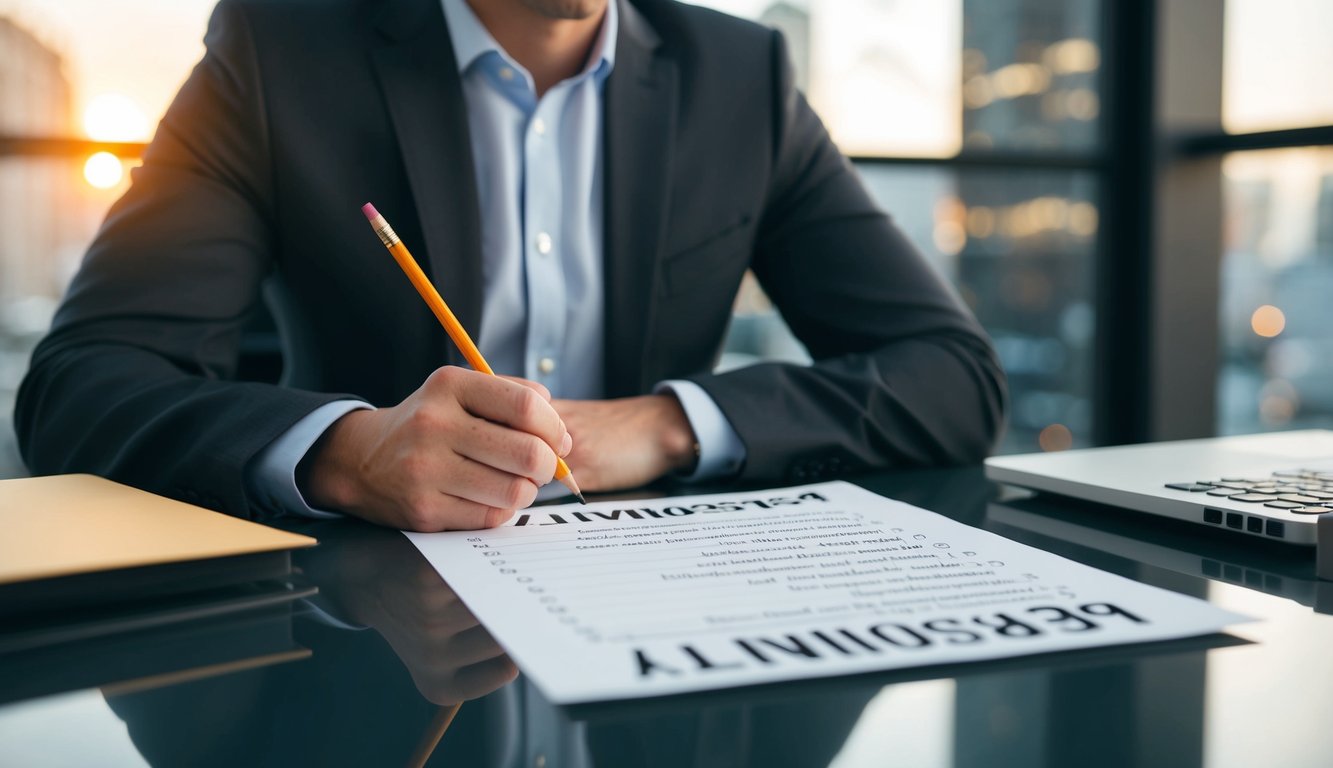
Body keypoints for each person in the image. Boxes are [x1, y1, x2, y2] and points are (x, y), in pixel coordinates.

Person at [15, 0, 1006, 532]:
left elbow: (952, 377)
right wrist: (349, 454)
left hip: (660, 601)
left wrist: (663, 426)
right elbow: (83, 386)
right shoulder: (275, 50)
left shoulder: (741, 78)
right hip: (365, 627)